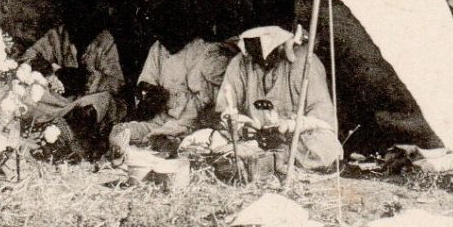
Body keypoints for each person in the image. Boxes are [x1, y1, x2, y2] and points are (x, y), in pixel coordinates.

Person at [214, 26, 342, 177]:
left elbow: (323, 117)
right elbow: (225, 108)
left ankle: (275, 161)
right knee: (211, 142)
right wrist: (240, 122)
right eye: (251, 49)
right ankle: (266, 162)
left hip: (295, 138)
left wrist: (289, 126)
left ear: (280, 47)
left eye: (261, 51)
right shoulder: (241, 62)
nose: (255, 59)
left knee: (326, 146)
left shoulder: (305, 63)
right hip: (255, 138)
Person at [109, 24, 232, 150]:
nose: (165, 43)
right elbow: (146, 84)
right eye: (161, 37)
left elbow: (205, 104)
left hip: (187, 124)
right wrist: (150, 93)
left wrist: (181, 123)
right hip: (159, 121)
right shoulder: (158, 48)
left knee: (165, 140)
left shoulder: (202, 49)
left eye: (168, 35)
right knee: (121, 132)